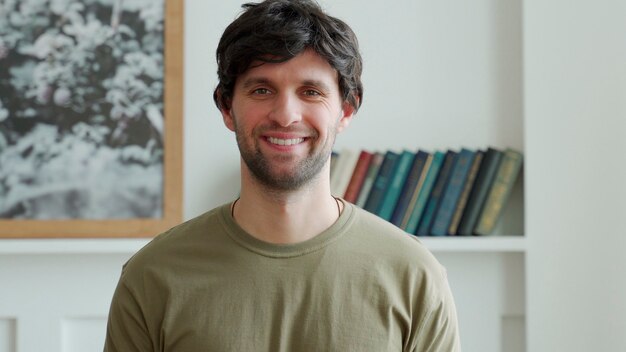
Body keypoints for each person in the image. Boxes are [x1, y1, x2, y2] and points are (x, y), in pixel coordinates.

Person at [104, 0, 461, 351]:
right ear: (227, 107)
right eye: (262, 90)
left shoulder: (413, 276)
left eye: (311, 92)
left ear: (346, 110)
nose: (286, 115)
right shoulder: (152, 276)